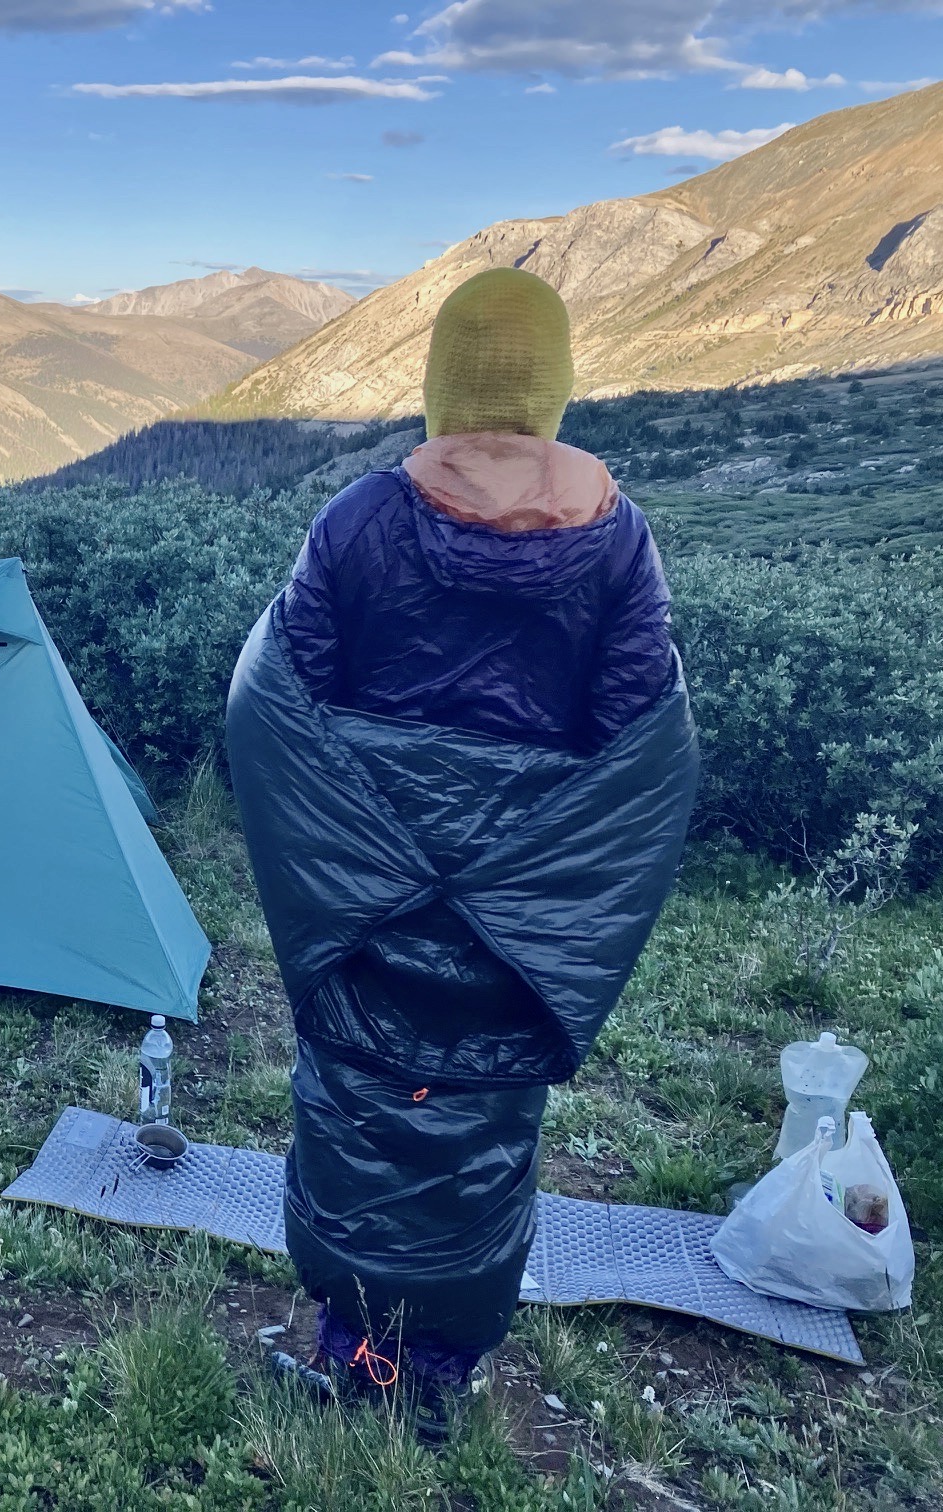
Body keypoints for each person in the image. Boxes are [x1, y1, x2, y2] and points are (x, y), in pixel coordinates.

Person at [225, 267, 698, 1444]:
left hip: (364, 914)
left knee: (357, 1112)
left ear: (440, 382)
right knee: (479, 1131)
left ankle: (355, 1355)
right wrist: (514, 876)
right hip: (518, 936)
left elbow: (278, 701)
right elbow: (642, 744)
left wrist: (370, 859)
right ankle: (436, 1379)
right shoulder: (619, 544)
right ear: (555, 386)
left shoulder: (358, 522)